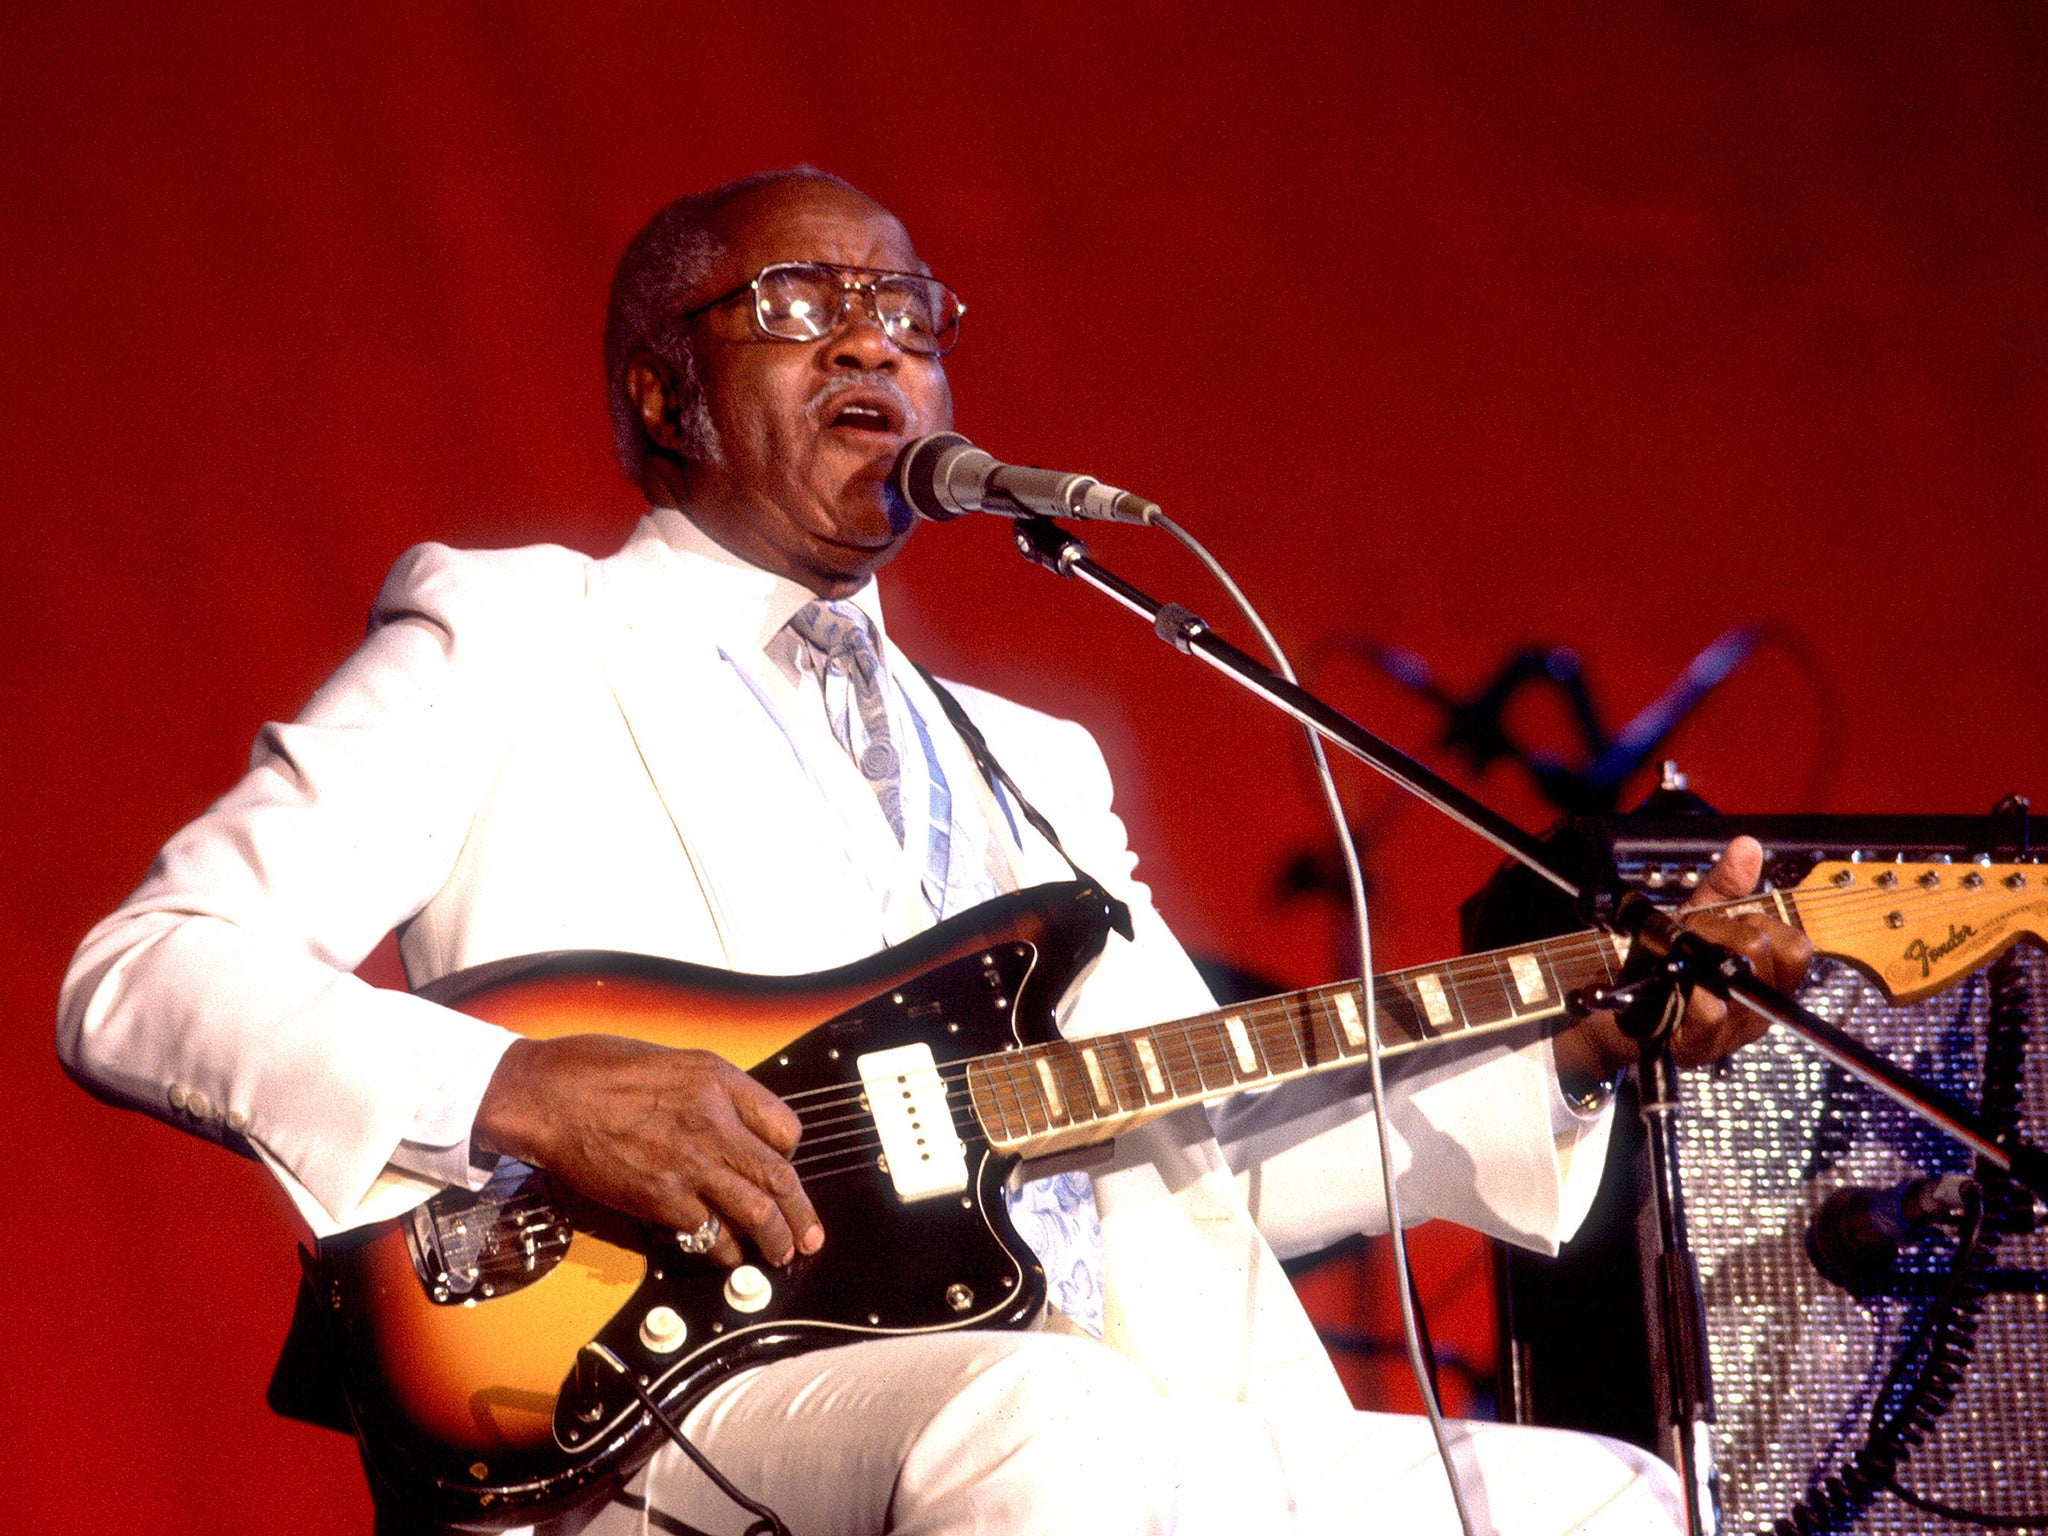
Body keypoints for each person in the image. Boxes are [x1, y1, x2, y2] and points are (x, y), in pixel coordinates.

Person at [58, 167, 1811, 1535]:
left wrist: (1578, 1048)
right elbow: (143, 976)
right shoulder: (518, 637)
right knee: (1053, 1418)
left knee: (1613, 1498)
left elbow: (1201, 1173)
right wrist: (522, 1089)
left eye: (906, 309)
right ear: (667, 396)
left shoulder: (1035, 765)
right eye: (800, 303)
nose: (872, 344)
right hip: (667, 1390)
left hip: (1093, 1401)